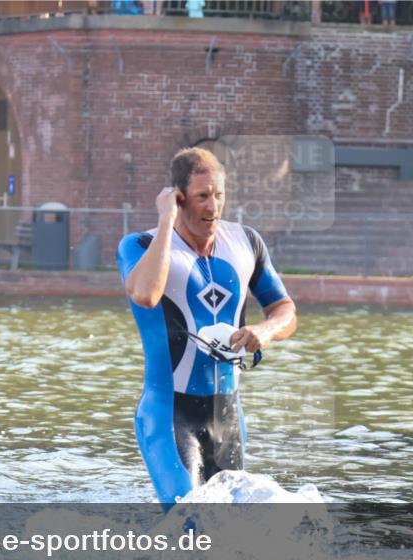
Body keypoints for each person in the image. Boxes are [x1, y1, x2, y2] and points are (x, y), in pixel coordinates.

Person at [117, 147, 297, 505]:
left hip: (227, 415)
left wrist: (265, 330)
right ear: (179, 198)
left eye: (219, 196)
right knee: (191, 517)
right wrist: (167, 221)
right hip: (169, 414)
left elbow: (285, 309)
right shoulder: (140, 245)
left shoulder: (246, 242)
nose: (213, 207)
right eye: (202, 197)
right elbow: (146, 295)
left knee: (232, 530)